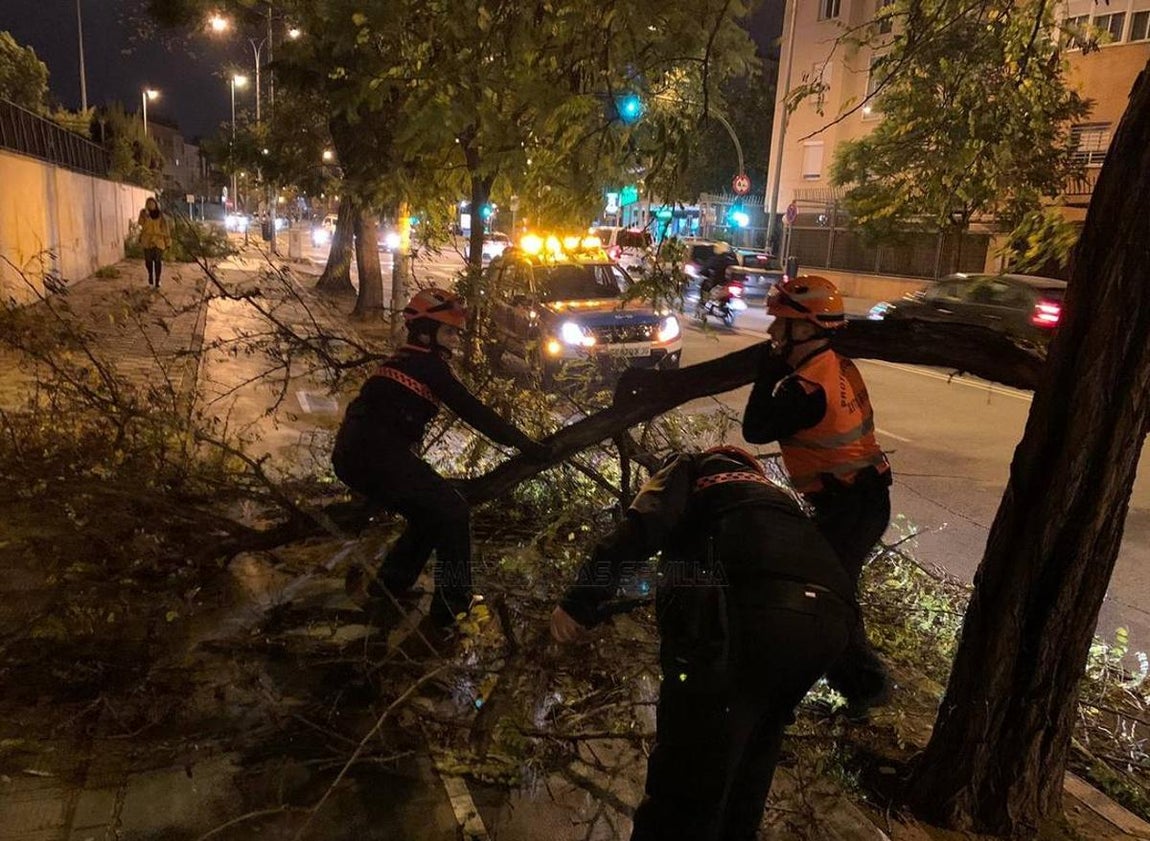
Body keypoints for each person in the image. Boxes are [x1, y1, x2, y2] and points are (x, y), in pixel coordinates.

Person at [552, 446, 856, 841]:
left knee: (686, 770)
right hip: (824, 629)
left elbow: (645, 525)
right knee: (751, 762)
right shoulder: (779, 501)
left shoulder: (691, 467)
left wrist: (579, 600)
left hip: (743, 621)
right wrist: (862, 674)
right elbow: (830, 575)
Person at [332, 288, 548, 627]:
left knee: (429, 514)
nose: (455, 340)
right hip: (376, 457)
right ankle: (453, 606)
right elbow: (472, 411)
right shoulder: (427, 366)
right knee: (452, 510)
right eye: (449, 332)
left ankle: (390, 587)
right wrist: (524, 444)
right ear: (424, 333)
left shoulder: (405, 360)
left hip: (356, 457)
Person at [741, 275, 894, 719]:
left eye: (781, 323)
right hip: (859, 499)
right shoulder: (836, 365)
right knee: (826, 589)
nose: (773, 331)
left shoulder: (804, 388)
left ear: (806, 328)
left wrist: (764, 378)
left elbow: (755, 429)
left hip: (850, 505)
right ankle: (858, 684)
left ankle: (865, 686)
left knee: (824, 596)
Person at [137, 198, 172, 288]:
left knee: (157, 260)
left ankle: (157, 279)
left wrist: (168, 242)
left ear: (156, 204)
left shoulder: (161, 215)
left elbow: (165, 229)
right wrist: (146, 216)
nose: (151, 205)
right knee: (148, 261)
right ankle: (150, 275)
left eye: (152, 203)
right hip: (147, 240)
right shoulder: (143, 213)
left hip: (159, 240)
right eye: (149, 204)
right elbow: (140, 223)